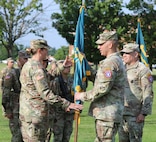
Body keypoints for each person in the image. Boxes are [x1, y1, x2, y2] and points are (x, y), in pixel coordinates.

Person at [19, 39, 83, 142]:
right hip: (36, 116)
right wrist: (67, 104)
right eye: (46, 50)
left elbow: (47, 77)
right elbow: (46, 93)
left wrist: (62, 67)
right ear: (40, 50)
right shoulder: (37, 68)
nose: (48, 52)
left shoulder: (29, 65)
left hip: (29, 115)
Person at [74, 31, 125, 142]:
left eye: (102, 44)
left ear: (110, 44)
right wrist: (85, 65)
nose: (98, 47)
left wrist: (82, 95)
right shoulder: (116, 60)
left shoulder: (110, 63)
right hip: (108, 112)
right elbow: (100, 79)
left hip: (107, 113)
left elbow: (102, 89)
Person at [118, 43, 154, 142]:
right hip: (122, 113)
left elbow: (148, 93)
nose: (124, 55)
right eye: (123, 53)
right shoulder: (122, 68)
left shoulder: (143, 70)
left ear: (135, 54)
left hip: (135, 115)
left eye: (127, 53)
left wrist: (143, 113)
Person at [49, 60, 74, 142]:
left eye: (69, 67)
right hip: (58, 112)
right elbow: (54, 96)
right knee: (58, 136)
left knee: (67, 135)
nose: (68, 68)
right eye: (66, 67)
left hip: (69, 112)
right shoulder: (56, 80)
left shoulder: (71, 79)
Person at [1, 57, 23, 142]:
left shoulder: (27, 73)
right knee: (17, 136)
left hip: (25, 109)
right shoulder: (11, 73)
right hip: (14, 108)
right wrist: (7, 110)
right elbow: (5, 92)